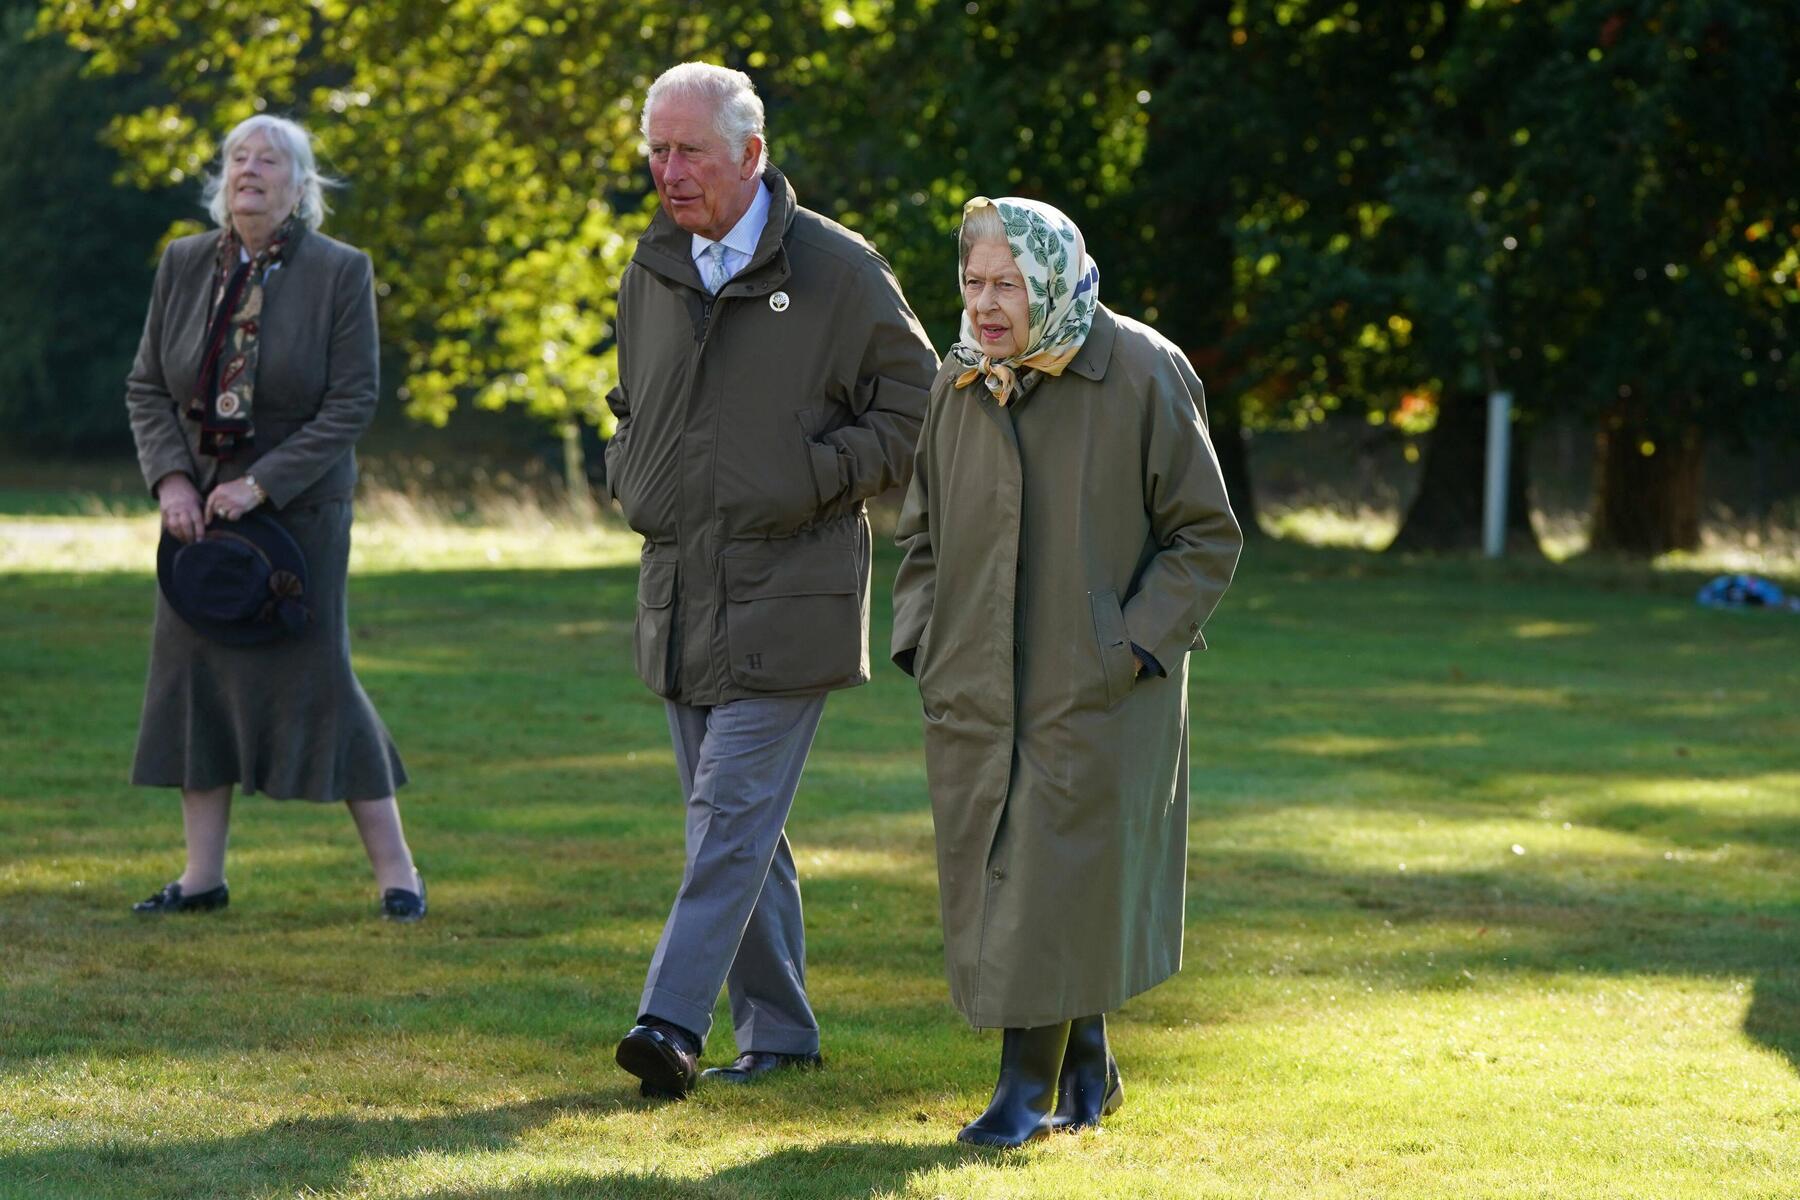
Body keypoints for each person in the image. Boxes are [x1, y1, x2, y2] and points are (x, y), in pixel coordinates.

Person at [604, 62, 937, 1099]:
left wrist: (809, 477)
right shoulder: (652, 267)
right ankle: (783, 1036)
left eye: (688, 150)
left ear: (751, 154)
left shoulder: (837, 271)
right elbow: (633, 402)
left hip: (791, 592)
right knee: (741, 831)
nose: (667, 171)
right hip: (679, 596)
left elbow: (920, 412)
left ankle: (668, 1024)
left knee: (730, 817)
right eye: (655, 150)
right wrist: (632, 470)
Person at [891, 196, 1242, 1146]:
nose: (988, 302)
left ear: (1050, 273)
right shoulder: (958, 378)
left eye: (1008, 281)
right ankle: (1090, 1067)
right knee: (1017, 877)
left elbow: (1204, 535)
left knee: (1044, 877)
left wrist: (1126, 646)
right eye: (974, 281)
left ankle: (1022, 1095)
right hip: (972, 679)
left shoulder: (1140, 368)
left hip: (1092, 686)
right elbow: (919, 528)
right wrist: (921, 636)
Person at [125, 114, 424, 921]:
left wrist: (260, 485)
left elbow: (352, 400)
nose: (249, 169)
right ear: (222, 179)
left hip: (297, 513)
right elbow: (149, 387)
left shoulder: (340, 271)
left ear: (301, 186)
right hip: (196, 515)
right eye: (237, 158)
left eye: (270, 160)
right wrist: (174, 484)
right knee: (194, 683)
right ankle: (200, 879)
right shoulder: (184, 263)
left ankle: (398, 875)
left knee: (319, 675)